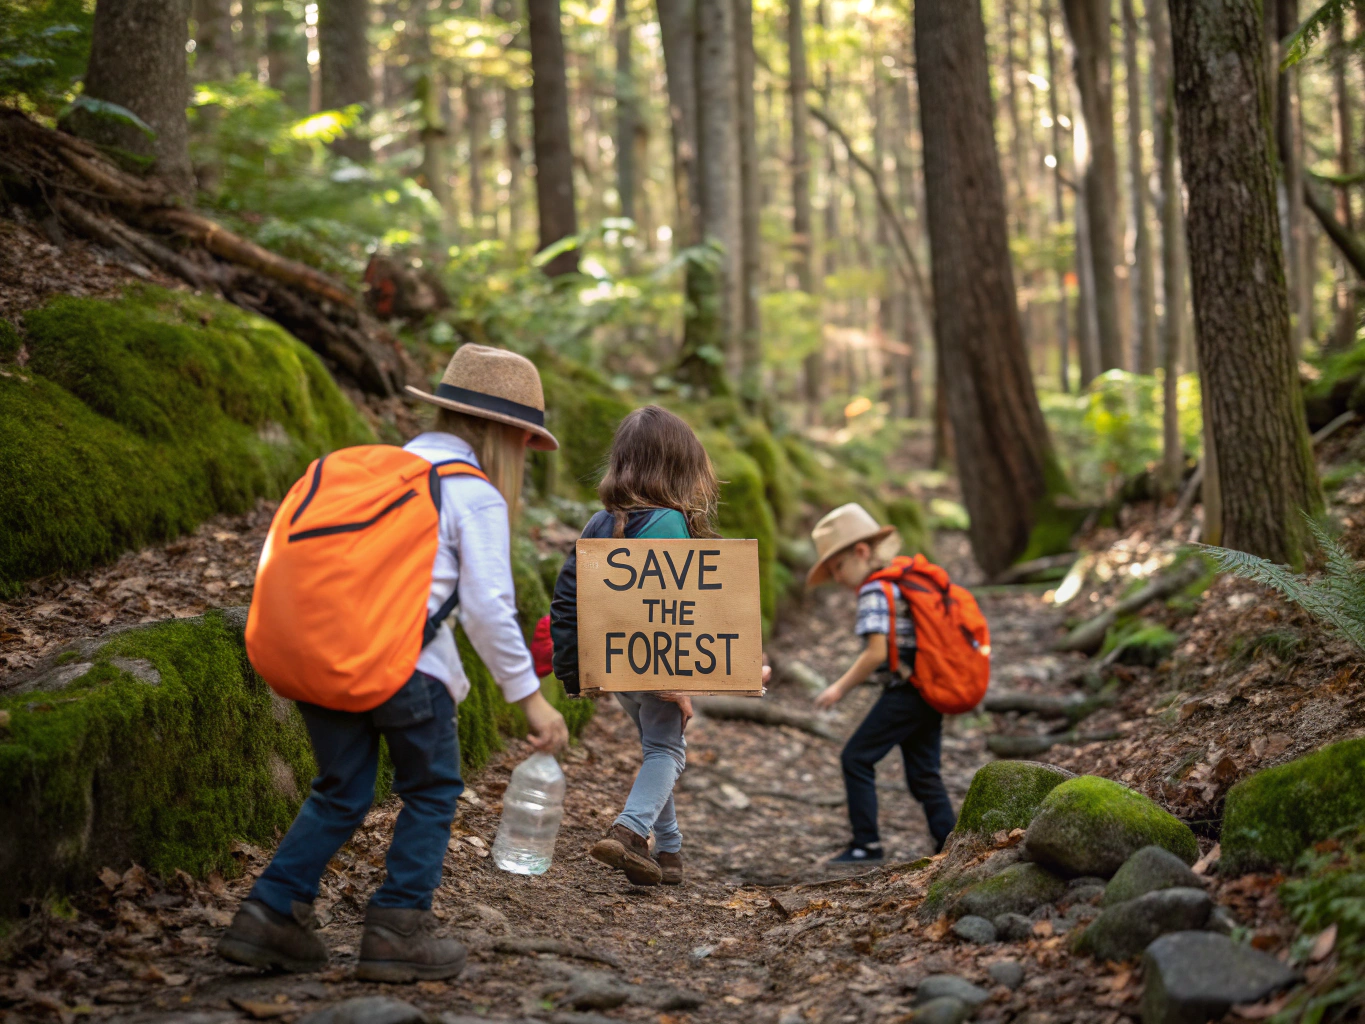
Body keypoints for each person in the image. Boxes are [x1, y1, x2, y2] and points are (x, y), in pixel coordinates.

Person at [219, 344, 569, 980]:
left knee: (339, 793)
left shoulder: (376, 473)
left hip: (321, 658)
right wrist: (530, 698)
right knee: (432, 792)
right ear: (508, 435)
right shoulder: (473, 493)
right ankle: (398, 928)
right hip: (409, 672)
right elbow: (488, 608)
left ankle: (269, 913)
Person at [550, 406, 719, 886]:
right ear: (675, 469)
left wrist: (573, 669)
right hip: (657, 661)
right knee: (669, 751)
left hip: (616, 664)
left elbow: (567, 598)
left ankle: (668, 853)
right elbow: (675, 609)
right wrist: (681, 680)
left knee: (655, 749)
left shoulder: (597, 523)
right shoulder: (667, 522)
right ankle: (629, 831)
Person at [807, 503, 957, 862]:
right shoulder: (899, 582)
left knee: (856, 758)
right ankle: (950, 843)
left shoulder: (875, 590)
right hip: (928, 688)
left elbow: (876, 652)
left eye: (838, 567)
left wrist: (838, 688)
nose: (838, 577)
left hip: (907, 691)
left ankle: (866, 844)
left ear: (861, 552)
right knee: (924, 774)